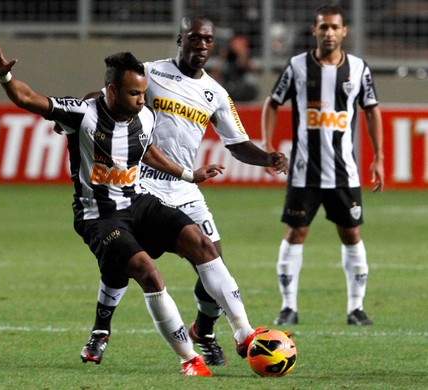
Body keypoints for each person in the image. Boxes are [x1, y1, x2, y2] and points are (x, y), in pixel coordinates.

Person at [0, 38, 266, 376]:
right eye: (134, 93)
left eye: (144, 93)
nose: (142, 100)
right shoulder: (82, 114)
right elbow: (27, 98)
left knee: (201, 244)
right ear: (112, 90)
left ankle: (244, 333)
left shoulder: (144, 118)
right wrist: (5, 78)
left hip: (137, 202)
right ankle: (189, 359)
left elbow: (147, 152)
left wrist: (190, 174)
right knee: (147, 272)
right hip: (99, 216)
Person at [78, 15, 288, 367]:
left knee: (211, 256)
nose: (201, 46)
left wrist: (267, 156)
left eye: (207, 40)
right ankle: (101, 330)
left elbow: (236, 144)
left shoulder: (216, 93)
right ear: (181, 39)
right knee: (123, 260)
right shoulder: (150, 73)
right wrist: (77, 116)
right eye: (194, 38)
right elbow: (105, 98)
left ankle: (205, 329)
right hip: (139, 182)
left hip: (184, 186)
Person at [261, 4, 384, 326]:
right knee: (296, 233)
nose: (328, 33)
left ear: (344, 31)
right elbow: (272, 102)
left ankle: (356, 309)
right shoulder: (298, 67)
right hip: (304, 171)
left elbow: (372, 110)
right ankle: (288, 307)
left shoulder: (358, 69)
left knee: (351, 233)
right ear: (315, 31)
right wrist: (268, 144)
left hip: (344, 171)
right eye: (323, 27)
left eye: (334, 27)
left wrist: (379, 158)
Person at [212, 35, 259, 102]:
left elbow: (252, 70)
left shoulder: (249, 58)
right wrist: (221, 59)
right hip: (229, 90)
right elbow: (215, 76)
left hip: (245, 90)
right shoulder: (227, 59)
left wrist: (241, 54)